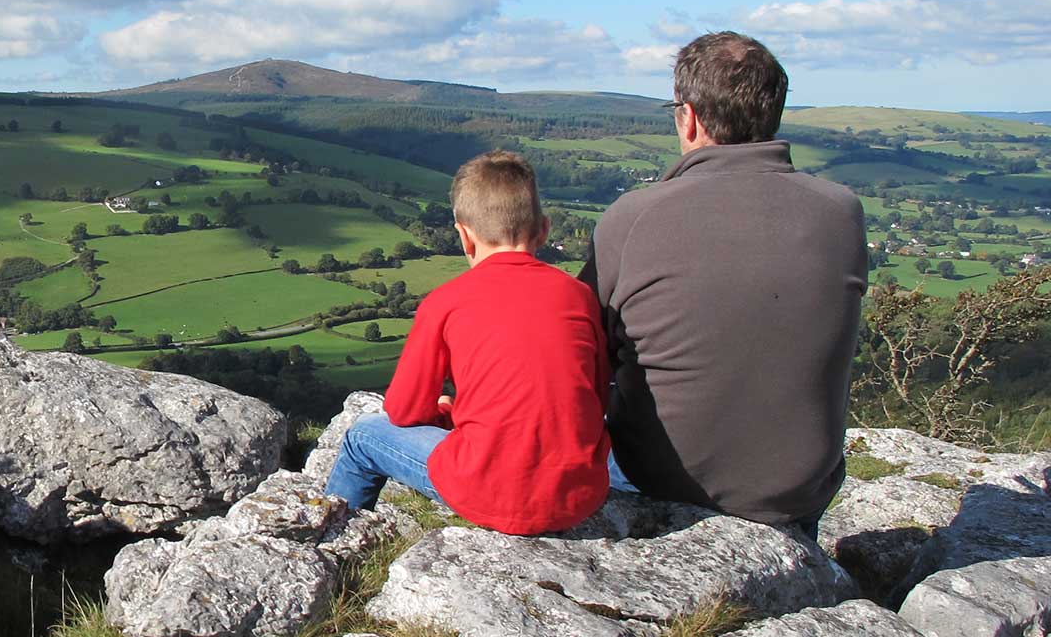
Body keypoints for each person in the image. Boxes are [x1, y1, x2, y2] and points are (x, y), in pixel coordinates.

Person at [582, 31, 867, 527]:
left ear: (688, 116)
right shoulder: (842, 211)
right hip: (800, 491)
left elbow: (581, 347)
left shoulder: (633, 216)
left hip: (658, 478)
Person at [325, 151, 609, 534]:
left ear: (464, 236)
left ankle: (331, 546)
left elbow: (404, 410)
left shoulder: (445, 302)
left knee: (362, 436)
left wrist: (447, 413)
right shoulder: (578, 296)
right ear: (543, 229)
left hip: (487, 492)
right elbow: (594, 398)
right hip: (579, 495)